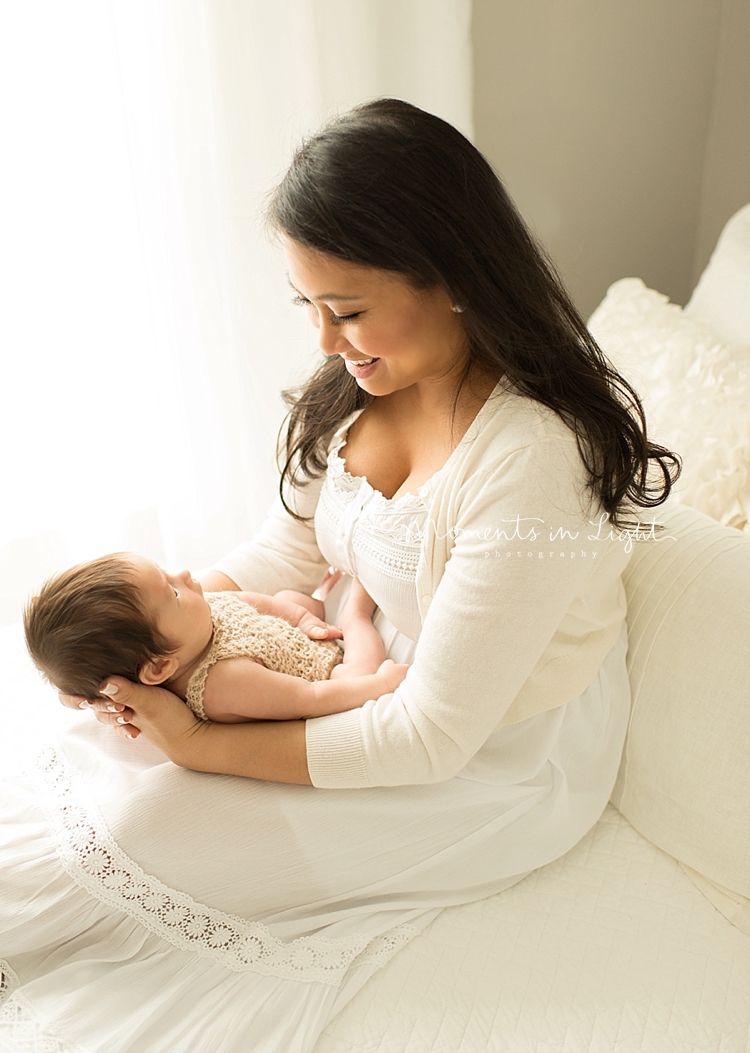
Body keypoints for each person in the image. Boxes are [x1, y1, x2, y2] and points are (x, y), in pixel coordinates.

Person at [0, 99, 679, 1053]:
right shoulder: (359, 390)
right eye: (307, 305)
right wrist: (161, 642)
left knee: (150, 826)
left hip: (491, 752)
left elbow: (433, 735)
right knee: (92, 758)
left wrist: (201, 741)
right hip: (359, 674)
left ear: (452, 277)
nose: (323, 340)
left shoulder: (528, 462)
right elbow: (285, 555)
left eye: (347, 309)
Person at [23, 553, 403, 722]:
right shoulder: (223, 681)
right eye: (172, 591)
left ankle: (319, 605)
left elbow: (257, 603)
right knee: (355, 672)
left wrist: (303, 619)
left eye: (167, 572)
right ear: (159, 667)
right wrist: (378, 684)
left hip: (291, 639)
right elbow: (311, 699)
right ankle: (357, 611)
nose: (186, 576)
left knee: (288, 599)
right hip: (321, 674)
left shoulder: (192, 620)